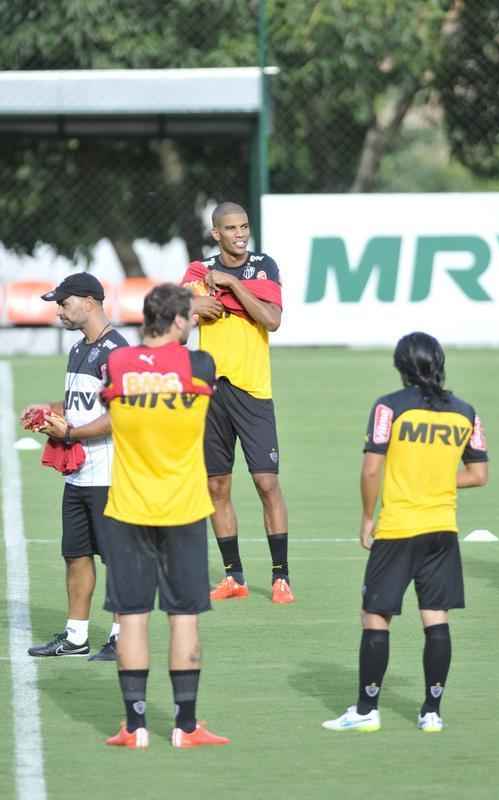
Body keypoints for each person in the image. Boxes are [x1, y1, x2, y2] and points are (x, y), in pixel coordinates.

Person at [322, 332, 488, 734]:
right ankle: (431, 711)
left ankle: (366, 709)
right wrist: (435, 478)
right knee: (435, 617)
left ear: (401, 367)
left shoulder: (389, 408)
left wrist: (366, 517)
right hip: (443, 530)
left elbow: (371, 468)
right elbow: (478, 474)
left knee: (375, 616)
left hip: (398, 529)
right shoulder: (466, 412)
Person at [102, 283, 229, 749]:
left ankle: (134, 727)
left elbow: (111, 406)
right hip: (183, 506)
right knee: (184, 615)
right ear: (177, 321)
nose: (194, 323)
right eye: (190, 317)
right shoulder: (199, 366)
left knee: (131, 614)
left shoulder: (117, 364)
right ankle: (186, 726)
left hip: (128, 506)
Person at [182, 201, 294, 604]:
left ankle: (281, 576)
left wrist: (230, 284)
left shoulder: (264, 267)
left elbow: (272, 319)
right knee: (217, 484)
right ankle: (234, 577)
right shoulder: (199, 271)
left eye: (244, 226)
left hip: (253, 389)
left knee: (266, 482)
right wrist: (194, 305)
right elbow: (175, 316)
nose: (240, 234)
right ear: (216, 233)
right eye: (231, 228)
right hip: (211, 391)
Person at [25, 273, 127, 661]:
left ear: (88, 301)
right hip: (79, 475)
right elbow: (81, 406)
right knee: (75, 554)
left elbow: (121, 415)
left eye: (64, 304)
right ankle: (76, 636)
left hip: (109, 475)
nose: (59, 312)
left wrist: (72, 433)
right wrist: (49, 414)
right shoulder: (77, 349)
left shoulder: (117, 351)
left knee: (116, 558)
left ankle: (121, 636)